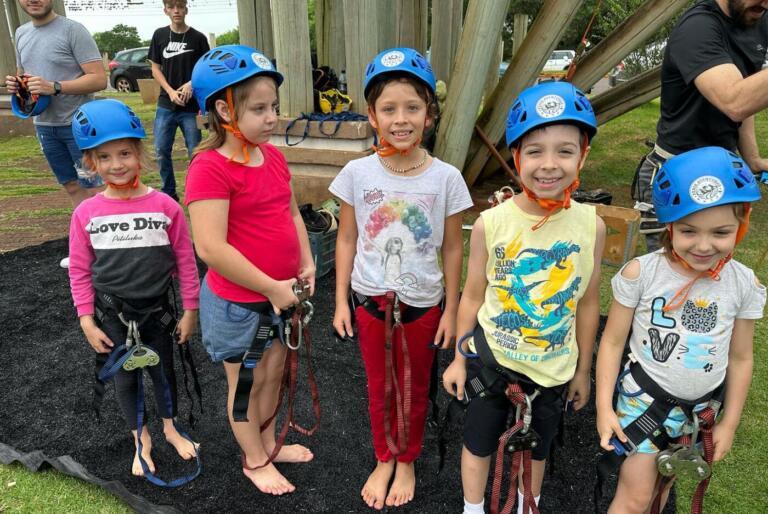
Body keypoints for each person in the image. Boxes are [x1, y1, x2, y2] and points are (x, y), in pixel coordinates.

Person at [442, 81, 606, 514]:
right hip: (493, 363)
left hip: (552, 371)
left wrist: (583, 370)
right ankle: (472, 508)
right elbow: (472, 295)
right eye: (535, 151)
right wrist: (460, 359)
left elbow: (588, 302)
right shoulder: (490, 223)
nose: (549, 165)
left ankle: (525, 505)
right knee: (477, 445)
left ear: (583, 156)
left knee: (536, 452)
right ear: (516, 156)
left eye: (564, 151)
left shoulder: (592, 226)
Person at [330, 47, 473, 510]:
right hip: (371, 302)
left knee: (414, 388)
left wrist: (451, 309)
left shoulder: (447, 178)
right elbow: (347, 239)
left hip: (424, 305)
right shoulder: (357, 172)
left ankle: (407, 457)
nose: (401, 119)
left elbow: (453, 246)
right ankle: (383, 455)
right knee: (378, 385)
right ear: (371, 116)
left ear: (429, 114)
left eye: (412, 107)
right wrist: (338, 303)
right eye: (388, 109)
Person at [596, 146, 765, 513]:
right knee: (635, 497)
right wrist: (603, 408)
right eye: (689, 231)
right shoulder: (643, 274)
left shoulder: (744, 284)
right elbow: (611, 342)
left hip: (697, 412)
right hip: (645, 404)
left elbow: (741, 357)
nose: (704, 246)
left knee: (661, 489)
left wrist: (730, 423)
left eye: (721, 232)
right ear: (670, 226)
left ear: (742, 224)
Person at [185, 44, 315, 496]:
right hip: (239, 305)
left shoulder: (273, 156)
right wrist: (272, 288)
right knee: (246, 383)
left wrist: (305, 260)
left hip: (278, 297)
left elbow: (291, 214)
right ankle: (253, 458)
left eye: (273, 107)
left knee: (274, 376)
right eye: (258, 109)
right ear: (223, 109)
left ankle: (267, 442)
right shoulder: (209, 169)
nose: (272, 117)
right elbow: (210, 247)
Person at [67, 99, 200, 478]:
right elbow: (79, 269)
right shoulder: (86, 214)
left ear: (140, 153)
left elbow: (186, 262)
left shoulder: (165, 206)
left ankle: (171, 428)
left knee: (163, 372)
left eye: (125, 152)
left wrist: (190, 310)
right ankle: (140, 438)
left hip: (157, 312)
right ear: (92, 163)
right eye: (104, 157)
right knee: (125, 377)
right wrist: (86, 320)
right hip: (111, 315)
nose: (117, 164)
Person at [633, 0, 768, 251]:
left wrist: (753, 160)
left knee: (714, 273)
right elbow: (735, 99)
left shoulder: (758, 19)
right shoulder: (698, 28)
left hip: (723, 171)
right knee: (671, 276)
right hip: (677, 174)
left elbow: (749, 96)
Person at [5, 0, 107, 268]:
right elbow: (24, 73)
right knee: (72, 186)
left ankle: (110, 251)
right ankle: (87, 250)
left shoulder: (73, 30)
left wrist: (56, 86)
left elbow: (99, 79)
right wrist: (18, 83)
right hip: (44, 126)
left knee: (95, 189)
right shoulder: (21, 33)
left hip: (79, 125)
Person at [148, 0, 210, 201]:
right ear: (165, 10)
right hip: (166, 104)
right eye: (172, 7)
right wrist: (170, 91)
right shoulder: (159, 35)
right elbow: (155, 68)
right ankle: (169, 192)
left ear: (186, 10)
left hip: (190, 108)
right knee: (160, 150)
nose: (176, 11)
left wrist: (191, 83)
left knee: (195, 152)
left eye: (180, 7)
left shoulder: (198, 38)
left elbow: (206, 68)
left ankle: (196, 191)